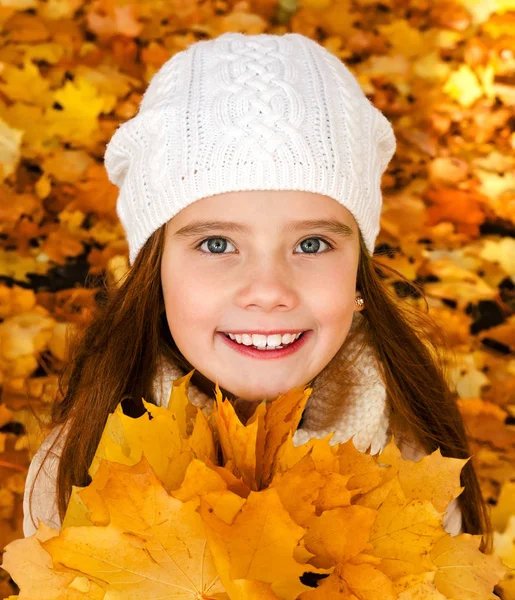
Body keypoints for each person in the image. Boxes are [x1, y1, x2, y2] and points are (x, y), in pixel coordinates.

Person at [22, 31, 492, 553]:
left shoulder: (418, 456)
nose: (269, 292)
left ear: (359, 270)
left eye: (311, 244)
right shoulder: (83, 464)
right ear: (154, 271)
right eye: (218, 243)